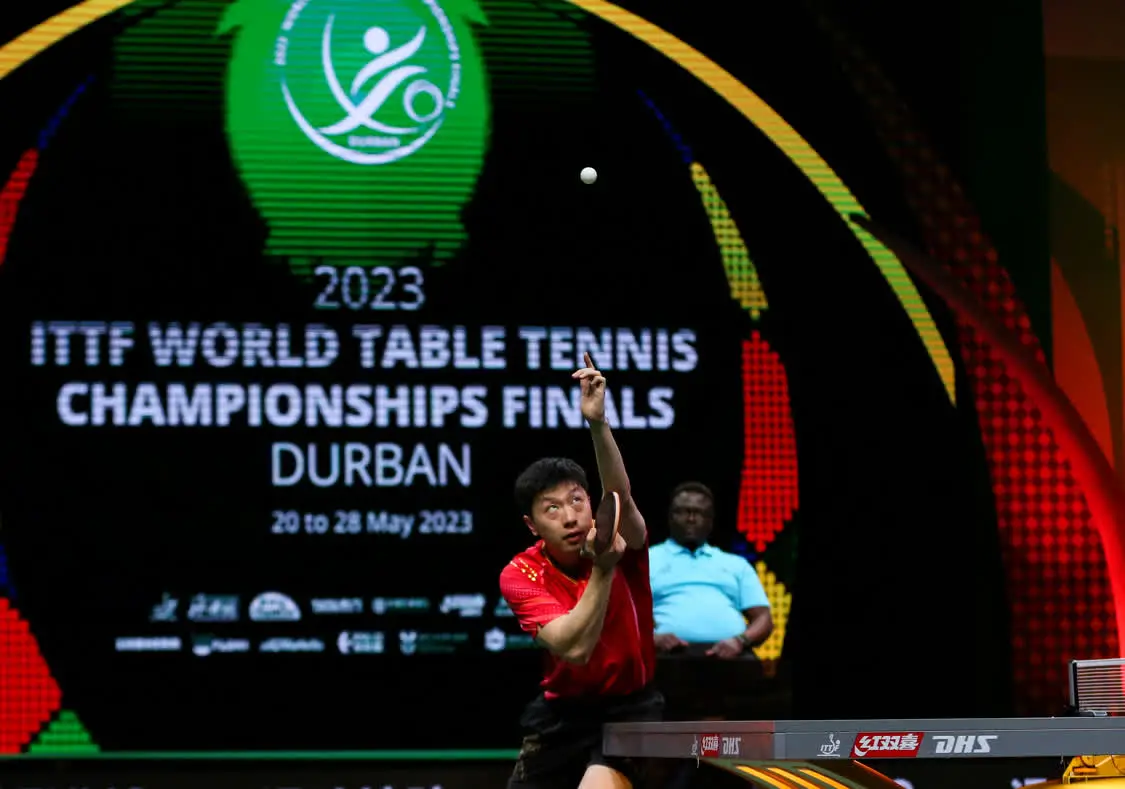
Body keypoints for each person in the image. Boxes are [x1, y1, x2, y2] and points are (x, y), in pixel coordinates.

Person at [499, 354, 660, 789]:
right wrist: (603, 570)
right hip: (561, 714)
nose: (570, 517)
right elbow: (574, 649)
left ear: (592, 503)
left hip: (630, 709)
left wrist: (597, 423)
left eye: (576, 500)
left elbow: (619, 493)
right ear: (532, 525)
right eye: (552, 509)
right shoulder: (520, 573)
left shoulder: (624, 539)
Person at [650, 482, 773, 657]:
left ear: (711, 520)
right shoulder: (646, 560)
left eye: (699, 512)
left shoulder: (737, 564)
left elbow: (763, 618)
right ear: (670, 517)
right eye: (683, 511)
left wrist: (740, 641)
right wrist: (650, 638)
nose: (691, 518)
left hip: (731, 657)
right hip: (664, 656)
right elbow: (622, 616)